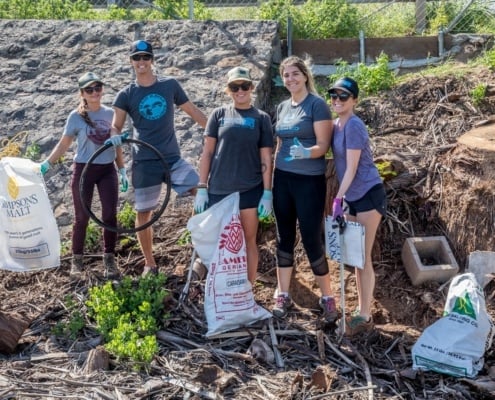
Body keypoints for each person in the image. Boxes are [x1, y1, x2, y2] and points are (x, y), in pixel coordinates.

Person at [106, 40, 207, 276]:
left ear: (152, 60)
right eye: (137, 58)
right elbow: (115, 125)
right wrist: (115, 137)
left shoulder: (169, 85)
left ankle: (199, 251)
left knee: (202, 194)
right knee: (144, 213)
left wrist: (215, 132)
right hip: (144, 162)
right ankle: (150, 264)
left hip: (172, 158)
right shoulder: (126, 94)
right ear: (130, 62)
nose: (141, 62)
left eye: (145, 57)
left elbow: (192, 111)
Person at [40, 71, 128, 280]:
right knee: (82, 217)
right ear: (82, 93)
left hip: (107, 170)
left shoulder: (111, 113)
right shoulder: (75, 116)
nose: (95, 92)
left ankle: (109, 259)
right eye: (89, 89)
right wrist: (47, 163)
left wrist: (122, 169)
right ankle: (76, 261)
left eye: (97, 87)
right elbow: (64, 144)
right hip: (83, 170)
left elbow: (116, 142)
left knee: (109, 214)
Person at [271, 55, 338, 323]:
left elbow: (324, 145)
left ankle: (328, 297)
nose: (290, 79)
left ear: (305, 75)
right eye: (286, 75)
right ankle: (282, 293)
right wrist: (270, 184)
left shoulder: (317, 106)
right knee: (283, 236)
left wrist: (306, 152)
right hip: (282, 180)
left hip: (309, 180)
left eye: (295, 74)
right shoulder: (282, 108)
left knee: (311, 237)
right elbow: (278, 145)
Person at [193, 66, 274, 284]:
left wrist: (267, 192)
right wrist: (202, 187)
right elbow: (208, 152)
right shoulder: (218, 115)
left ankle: (246, 291)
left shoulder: (261, 118)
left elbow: (266, 158)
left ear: (251, 87)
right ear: (228, 90)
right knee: (220, 242)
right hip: (219, 190)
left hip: (249, 191)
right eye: (235, 86)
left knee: (248, 241)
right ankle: (221, 289)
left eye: (245, 86)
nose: (240, 90)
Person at [328, 77, 387, 336]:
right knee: (355, 256)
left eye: (344, 96)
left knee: (362, 257)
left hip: (367, 194)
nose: (338, 100)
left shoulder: (353, 126)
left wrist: (338, 198)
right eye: (334, 95)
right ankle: (360, 309)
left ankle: (364, 314)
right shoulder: (335, 125)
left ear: (354, 100)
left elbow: (351, 168)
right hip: (352, 196)